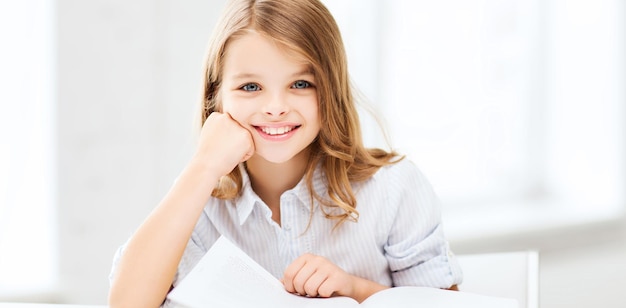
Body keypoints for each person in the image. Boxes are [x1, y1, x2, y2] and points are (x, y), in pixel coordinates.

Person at [108, 0, 463, 307]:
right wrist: (202, 166)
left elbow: (446, 304)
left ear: (331, 89)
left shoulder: (394, 189)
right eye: (250, 87)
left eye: (300, 84)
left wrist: (354, 289)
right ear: (217, 96)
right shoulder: (199, 201)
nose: (275, 107)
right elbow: (127, 303)